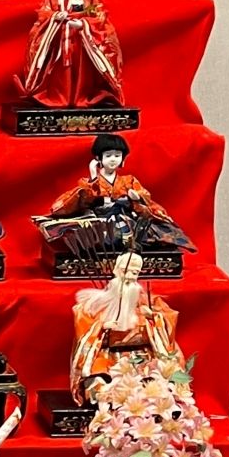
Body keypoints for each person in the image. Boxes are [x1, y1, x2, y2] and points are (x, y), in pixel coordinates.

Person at [36, 135, 192, 258]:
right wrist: (92, 177)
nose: (113, 159)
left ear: (123, 158)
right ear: (98, 158)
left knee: (149, 230)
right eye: (108, 155)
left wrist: (136, 197)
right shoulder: (86, 181)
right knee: (84, 233)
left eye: (117, 155)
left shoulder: (128, 180)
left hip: (124, 216)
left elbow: (145, 198)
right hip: (99, 219)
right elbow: (83, 201)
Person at [17, 0, 126, 110]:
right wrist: (54, 18)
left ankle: (82, 97)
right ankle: (58, 97)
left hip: (84, 44)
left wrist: (83, 24)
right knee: (59, 75)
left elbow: (98, 16)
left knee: (83, 74)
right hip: (57, 43)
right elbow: (43, 15)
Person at [69, 252, 182, 403]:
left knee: (153, 384)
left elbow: (167, 320)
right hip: (107, 356)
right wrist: (102, 327)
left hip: (140, 355)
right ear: (116, 271)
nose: (129, 276)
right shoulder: (94, 305)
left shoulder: (148, 302)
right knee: (100, 384)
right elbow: (84, 328)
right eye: (125, 271)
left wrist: (153, 317)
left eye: (134, 273)